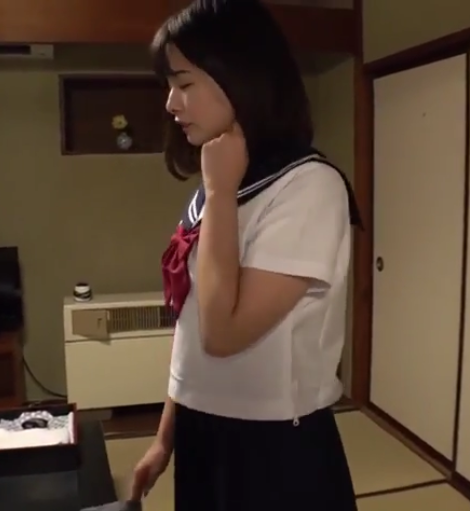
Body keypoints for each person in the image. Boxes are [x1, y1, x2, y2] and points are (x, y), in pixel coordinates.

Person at [130, 0, 362, 509]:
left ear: (241, 78)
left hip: (273, 444)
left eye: (184, 83)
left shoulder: (308, 187)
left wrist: (218, 191)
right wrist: (165, 438)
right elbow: (191, 327)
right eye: (169, 85)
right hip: (201, 430)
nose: (170, 103)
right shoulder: (222, 183)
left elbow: (223, 332)